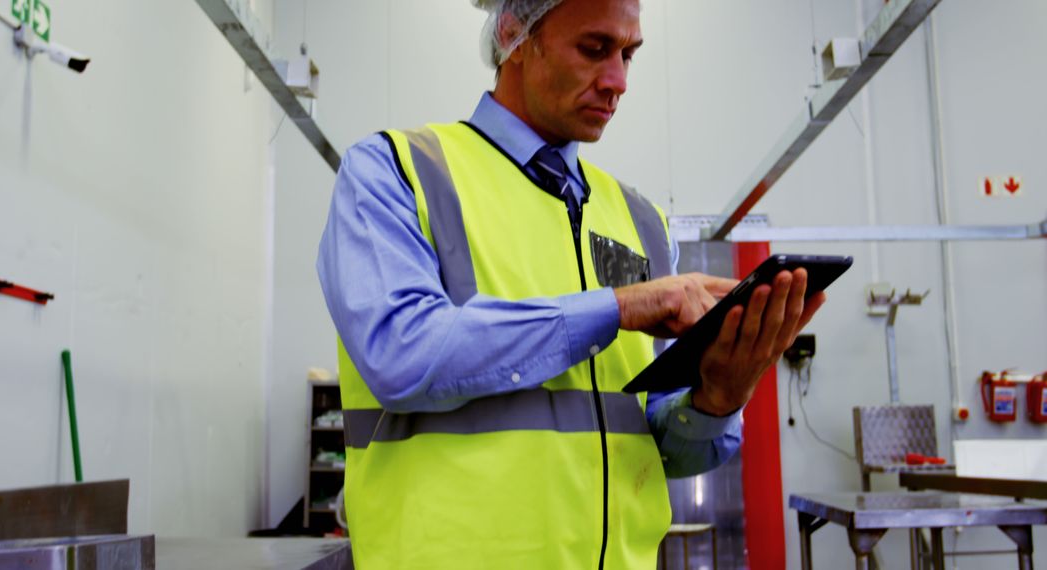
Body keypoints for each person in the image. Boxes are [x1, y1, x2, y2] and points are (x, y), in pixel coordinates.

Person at [317, 0, 825, 567]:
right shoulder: (398, 171)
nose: (618, 81)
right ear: (513, 33)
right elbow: (400, 353)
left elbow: (656, 446)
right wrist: (618, 307)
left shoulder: (641, 222)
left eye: (628, 54)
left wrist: (718, 398)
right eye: (594, 49)